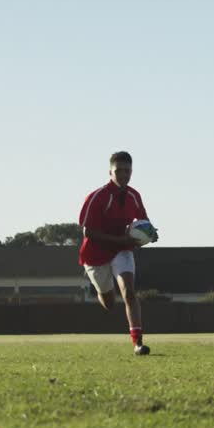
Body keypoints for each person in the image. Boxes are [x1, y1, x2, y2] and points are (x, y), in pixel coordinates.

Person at [78, 151, 156, 355]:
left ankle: (138, 343)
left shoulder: (134, 195)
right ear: (110, 172)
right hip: (95, 255)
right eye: (119, 170)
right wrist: (121, 240)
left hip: (122, 251)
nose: (123, 174)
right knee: (110, 303)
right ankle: (103, 291)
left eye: (127, 170)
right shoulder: (97, 196)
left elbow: (144, 223)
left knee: (129, 292)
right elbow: (88, 231)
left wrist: (151, 234)